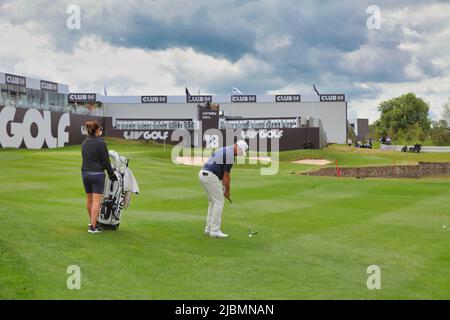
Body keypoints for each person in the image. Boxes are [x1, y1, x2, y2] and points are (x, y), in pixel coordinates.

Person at [198, 140, 249, 238]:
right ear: (237, 147)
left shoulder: (225, 149)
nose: (240, 154)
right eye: (241, 151)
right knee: (219, 201)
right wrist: (227, 191)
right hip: (210, 175)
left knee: (213, 202)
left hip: (203, 174)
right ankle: (215, 230)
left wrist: (223, 187)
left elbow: (220, 171)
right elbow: (226, 175)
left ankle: (209, 229)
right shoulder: (230, 155)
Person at [81, 120, 116, 233]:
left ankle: (92, 222)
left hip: (85, 173)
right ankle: (93, 227)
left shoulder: (85, 142)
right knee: (96, 201)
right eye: (99, 129)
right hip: (97, 174)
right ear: (97, 130)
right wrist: (111, 174)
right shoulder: (101, 143)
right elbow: (106, 161)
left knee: (89, 199)